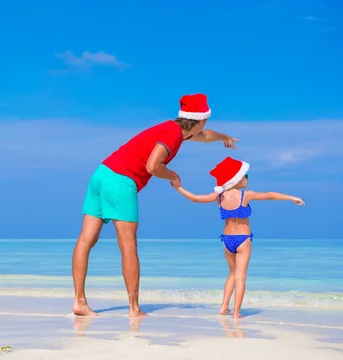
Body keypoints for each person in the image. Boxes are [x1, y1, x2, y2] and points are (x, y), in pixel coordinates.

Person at [71, 93, 238, 317]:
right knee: (128, 246)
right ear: (200, 119)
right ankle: (134, 308)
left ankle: (79, 302)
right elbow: (152, 165)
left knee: (85, 240)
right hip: (121, 181)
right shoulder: (172, 134)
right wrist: (172, 175)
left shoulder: (175, 130)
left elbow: (205, 136)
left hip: (101, 174)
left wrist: (223, 137)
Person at [172, 156, 305, 319]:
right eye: (245, 176)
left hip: (227, 240)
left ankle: (223, 307)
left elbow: (195, 198)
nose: (247, 179)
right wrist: (292, 198)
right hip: (243, 239)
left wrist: (178, 188)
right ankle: (236, 313)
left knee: (232, 274)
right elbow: (270, 195)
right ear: (236, 178)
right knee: (241, 276)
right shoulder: (245, 196)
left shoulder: (219, 197)